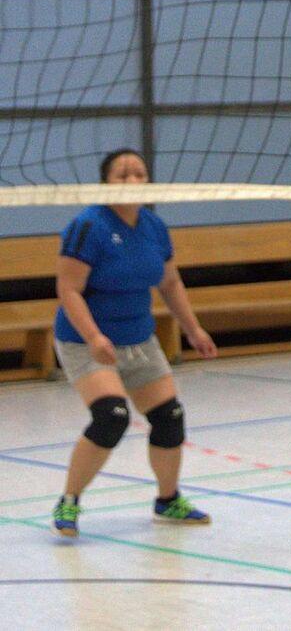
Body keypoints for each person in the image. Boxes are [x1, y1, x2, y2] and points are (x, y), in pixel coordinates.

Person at [51, 148, 217, 538]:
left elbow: (170, 283)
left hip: (138, 338)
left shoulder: (155, 227)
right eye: (122, 174)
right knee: (112, 416)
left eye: (138, 174)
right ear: (105, 183)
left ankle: (168, 500)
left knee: (169, 417)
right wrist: (94, 337)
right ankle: (69, 500)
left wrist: (193, 329)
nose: (131, 181)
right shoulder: (87, 226)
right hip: (86, 339)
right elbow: (68, 289)